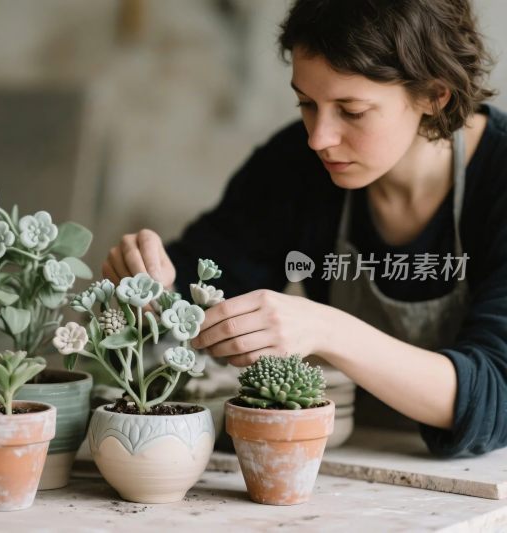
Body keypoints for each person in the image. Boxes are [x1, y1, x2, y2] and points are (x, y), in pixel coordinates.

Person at [101, 0, 507, 457]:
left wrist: (327, 330)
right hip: (351, 451)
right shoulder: (294, 165)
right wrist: (151, 288)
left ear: (435, 95)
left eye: (352, 111)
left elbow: (496, 394)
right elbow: (201, 289)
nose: (320, 138)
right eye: (308, 104)